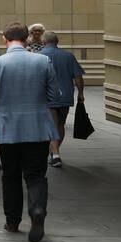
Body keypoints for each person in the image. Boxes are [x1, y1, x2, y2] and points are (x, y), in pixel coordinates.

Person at [0, 21, 61, 242]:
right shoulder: (44, 61)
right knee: (36, 175)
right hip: (38, 128)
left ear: (4, 39)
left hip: (8, 129)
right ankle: (37, 210)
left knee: (11, 175)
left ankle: (13, 220)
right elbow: (54, 95)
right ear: (26, 39)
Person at [40, 31, 84, 168]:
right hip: (65, 96)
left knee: (52, 125)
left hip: (47, 97)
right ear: (57, 42)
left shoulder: (38, 57)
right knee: (60, 124)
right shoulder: (68, 56)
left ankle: (55, 154)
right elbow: (78, 77)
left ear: (43, 42)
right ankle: (55, 152)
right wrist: (81, 93)